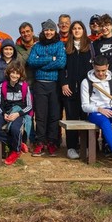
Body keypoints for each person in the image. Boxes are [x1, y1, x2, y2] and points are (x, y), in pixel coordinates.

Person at [27, 19, 66, 156]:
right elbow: (31, 61)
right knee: (41, 115)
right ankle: (40, 142)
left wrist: (42, 64)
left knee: (54, 116)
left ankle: (52, 142)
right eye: (46, 30)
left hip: (54, 85)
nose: (48, 32)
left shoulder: (59, 44)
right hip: (40, 84)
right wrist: (51, 59)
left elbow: (61, 63)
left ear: (55, 31)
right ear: (43, 31)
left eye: (51, 30)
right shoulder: (37, 46)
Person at [60, 21, 94, 160]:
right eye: (74, 28)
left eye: (79, 28)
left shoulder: (90, 47)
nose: (77, 30)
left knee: (86, 118)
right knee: (72, 118)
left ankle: (86, 146)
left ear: (84, 30)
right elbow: (62, 67)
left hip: (86, 89)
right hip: (70, 89)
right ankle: (71, 147)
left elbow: (95, 68)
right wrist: (63, 83)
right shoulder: (66, 47)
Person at [0, 62, 33, 166]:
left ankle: (16, 151)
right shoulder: (3, 86)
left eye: (17, 73)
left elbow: (29, 106)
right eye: (13, 73)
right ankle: (16, 144)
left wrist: (18, 114)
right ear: (9, 73)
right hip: (6, 112)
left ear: (21, 75)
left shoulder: (24, 86)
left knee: (15, 129)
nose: (15, 75)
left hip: (19, 113)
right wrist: (4, 114)